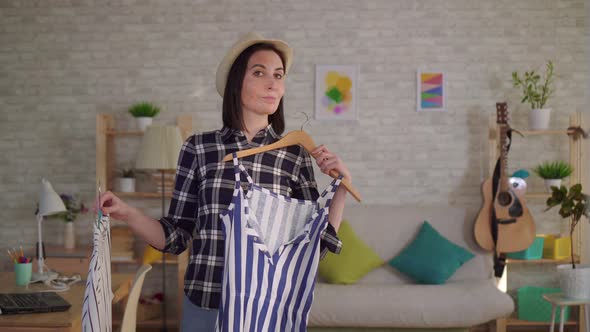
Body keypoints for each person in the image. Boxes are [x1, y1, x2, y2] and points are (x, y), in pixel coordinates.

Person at [99, 31, 352, 331]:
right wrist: (126, 212)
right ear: (237, 83)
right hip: (205, 303)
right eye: (260, 73)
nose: (273, 83)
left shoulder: (294, 155)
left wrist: (342, 188)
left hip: (267, 310)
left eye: (279, 75)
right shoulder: (198, 148)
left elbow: (310, 248)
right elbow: (176, 236)